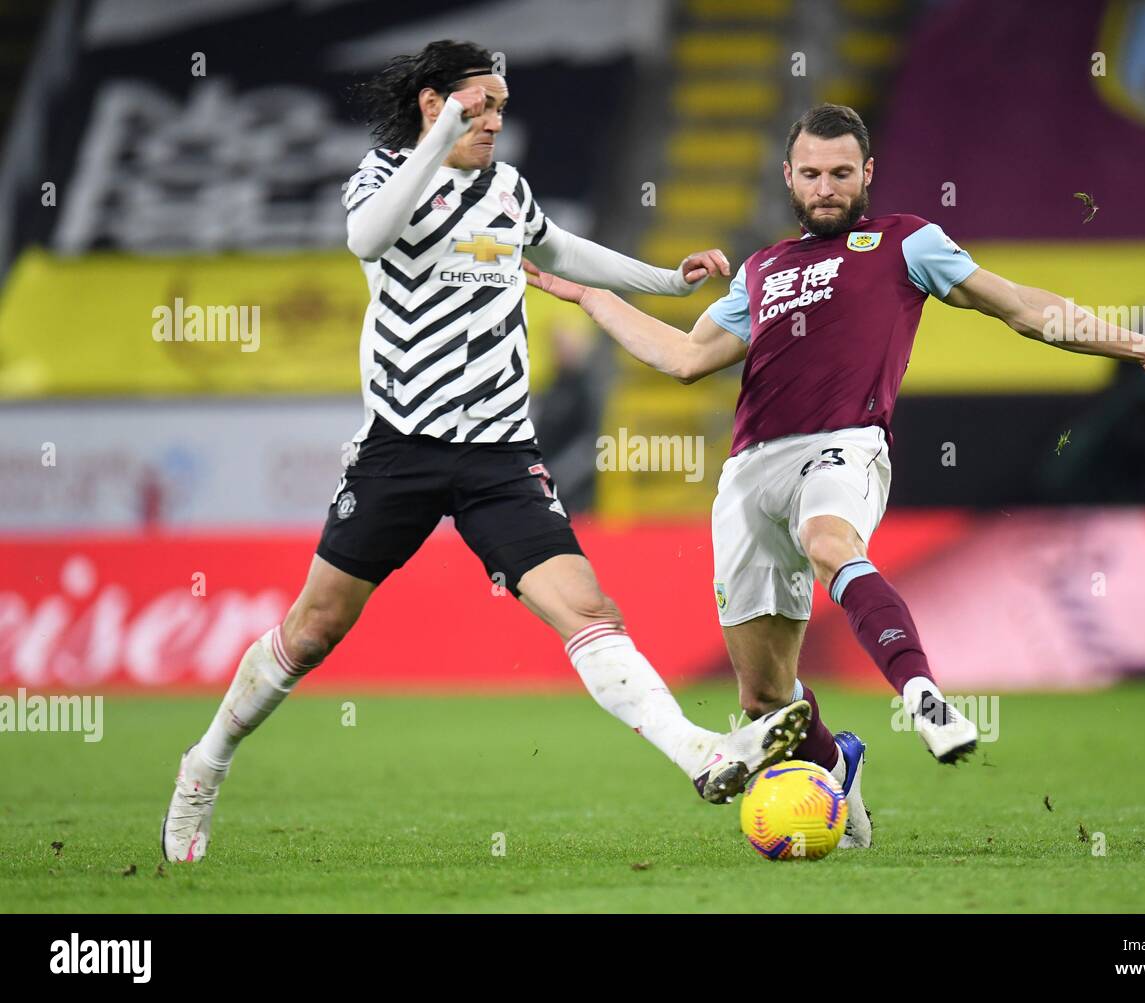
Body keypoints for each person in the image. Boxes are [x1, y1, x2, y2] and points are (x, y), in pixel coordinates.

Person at [161, 40, 810, 864]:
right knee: (315, 629)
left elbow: (557, 249)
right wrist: (439, 139)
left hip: (501, 452)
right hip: (401, 447)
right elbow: (366, 239)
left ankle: (701, 753)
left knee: (589, 611)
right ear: (435, 105)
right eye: (482, 105)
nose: (497, 120)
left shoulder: (505, 187)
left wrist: (668, 282)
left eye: (501, 106)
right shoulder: (382, 180)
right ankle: (205, 763)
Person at [525, 103, 1145, 850]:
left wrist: (1144, 349)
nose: (827, 187)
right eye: (813, 174)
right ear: (789, 177)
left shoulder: (904, 242)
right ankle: (838, 764)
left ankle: (922, 694)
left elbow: (1022, 308)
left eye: (842, 173)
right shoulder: (761, 271)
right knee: (764, 698)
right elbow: (684, 358)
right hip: (749, 473)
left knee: (830, 540)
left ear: (867, 175)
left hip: (844, 444)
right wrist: (593, 297)